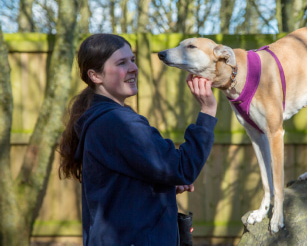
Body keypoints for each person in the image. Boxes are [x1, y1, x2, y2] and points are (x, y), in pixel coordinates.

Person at [58, 33, 218, 246]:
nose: (133, 68)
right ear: (96, 76)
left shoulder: (105, 119)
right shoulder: (117, 122)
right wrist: (207, 111)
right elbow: (183, 168)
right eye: (121, 63)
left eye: (132, 59)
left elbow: (123, 185)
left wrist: (164, 182)